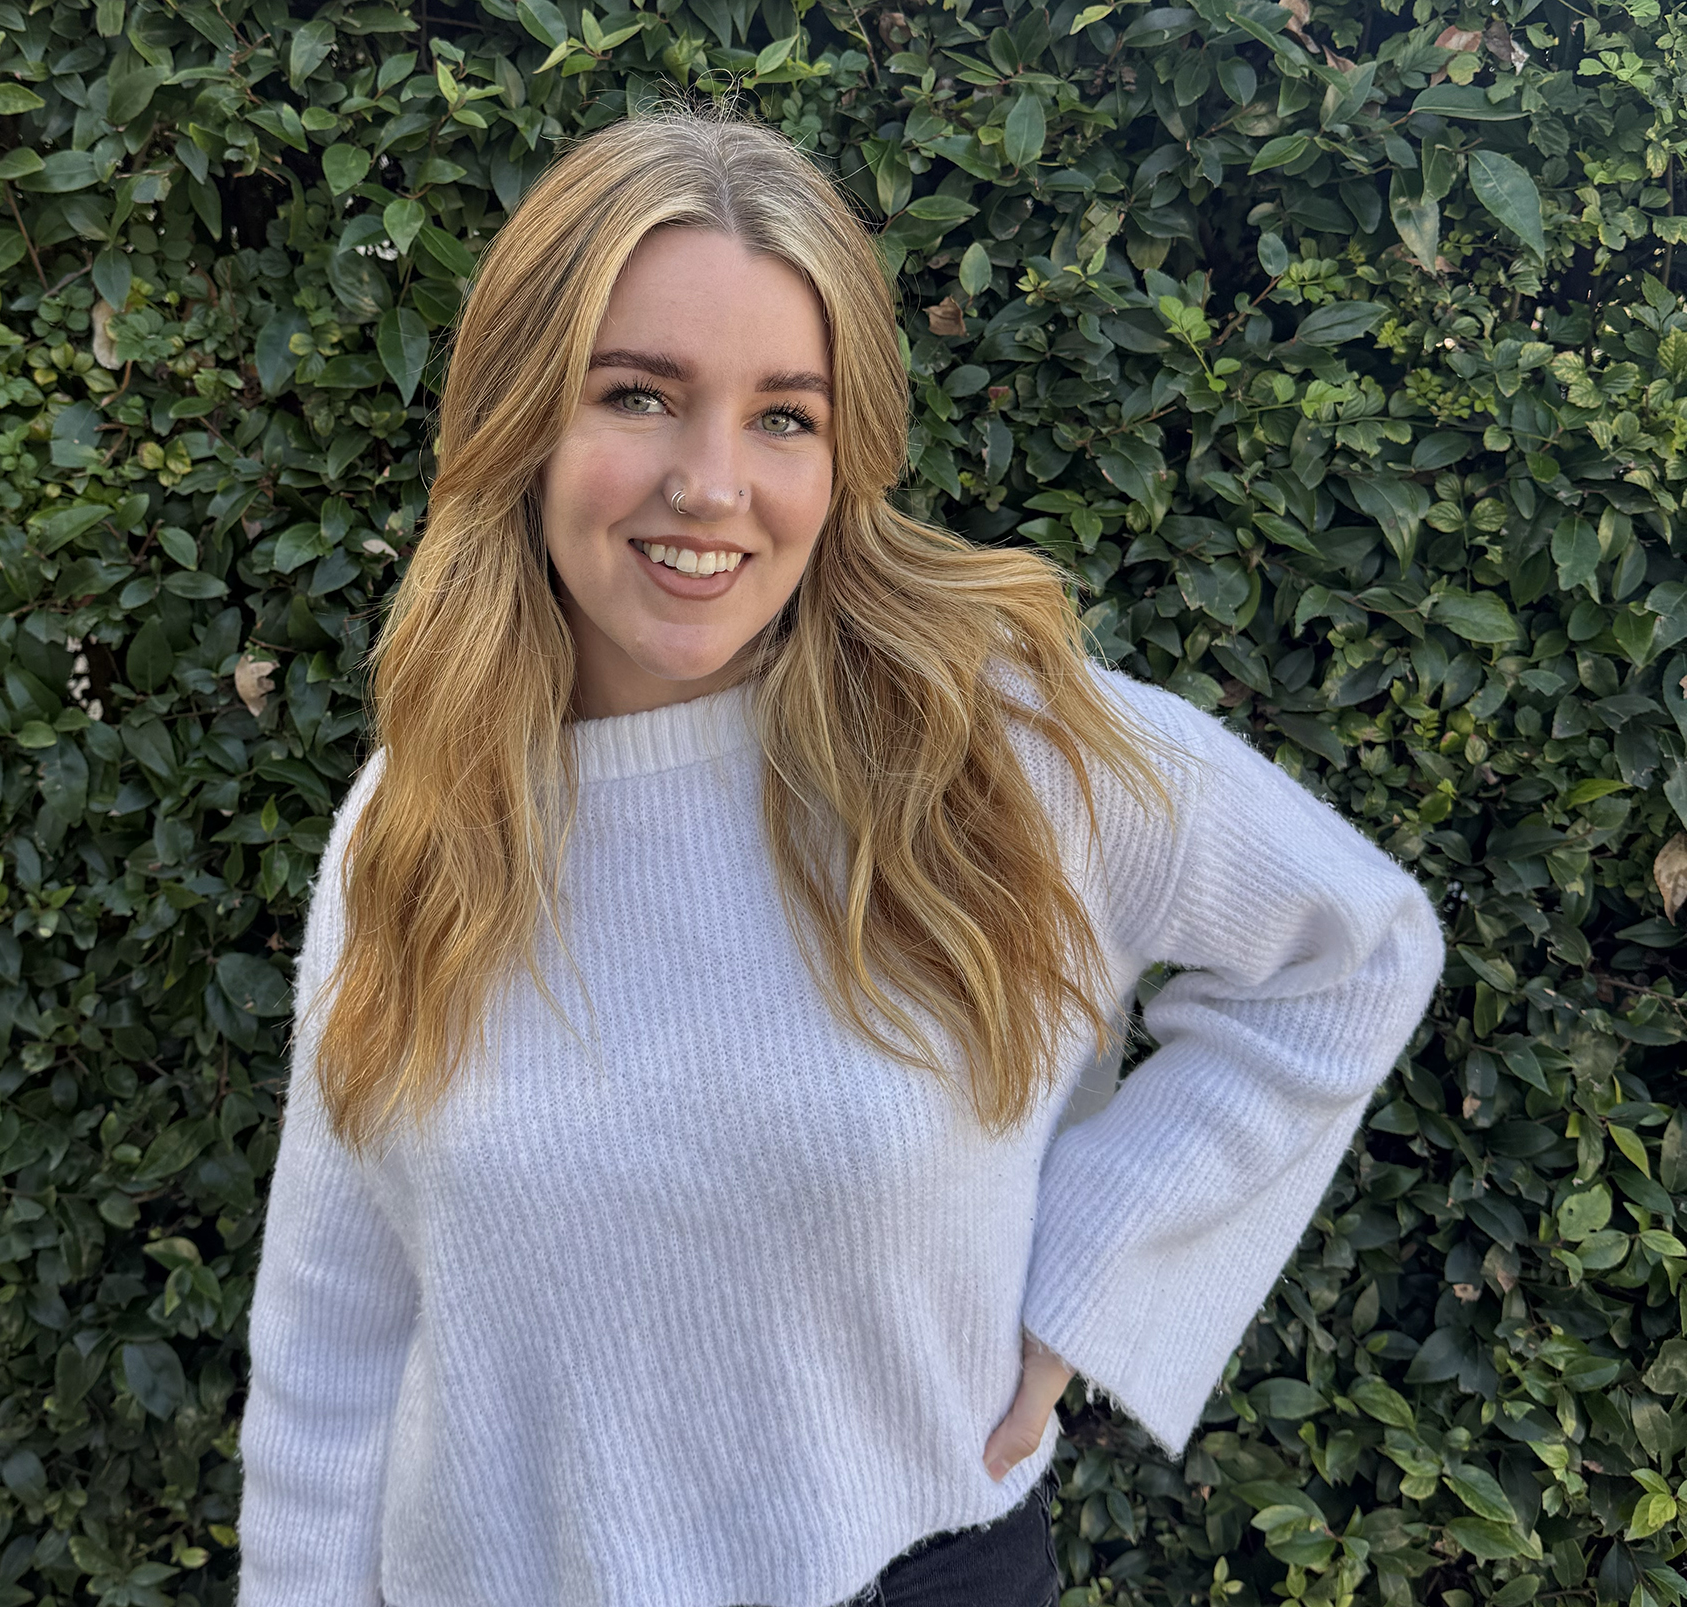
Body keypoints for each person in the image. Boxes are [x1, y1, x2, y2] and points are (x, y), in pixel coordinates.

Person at [235, 99, 1447, 1607]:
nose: (711, 484)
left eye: (783, 417)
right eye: (638, 395)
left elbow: (1352, 951)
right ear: (521, 418)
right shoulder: (418, 812)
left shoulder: (996, 748)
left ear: (843, 453)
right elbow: (333, 1343)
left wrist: (1096, 1265)